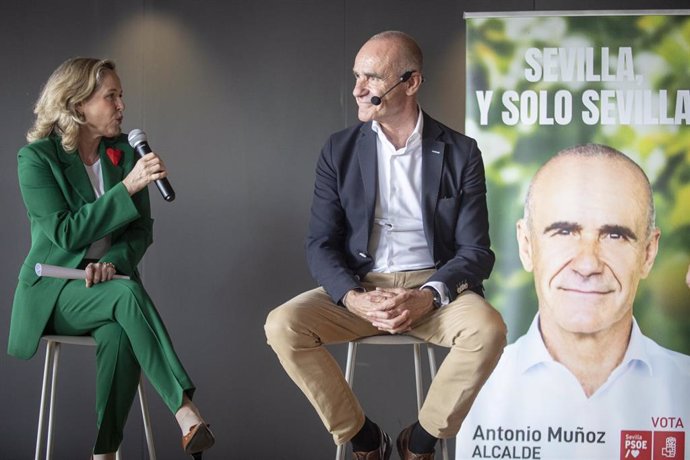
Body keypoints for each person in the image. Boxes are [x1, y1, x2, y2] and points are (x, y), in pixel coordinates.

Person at [265, 31, 506, 459]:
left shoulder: (460, 152)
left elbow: (476, 252)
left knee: (489, 331)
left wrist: (429, 296)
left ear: (411, 83)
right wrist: (353, 298)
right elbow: (320, 243)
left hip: (436, 288)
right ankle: (363, 437)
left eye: (372, 78)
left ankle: (421, 440)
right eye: (357, 76)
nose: (357, 89)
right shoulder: (337, 151)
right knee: (283, 325)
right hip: (363, 285)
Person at [8, 57, 215, 459]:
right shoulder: (35, 159)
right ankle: (185, 412)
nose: (122, 106)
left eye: (121, 96)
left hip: (109, 284)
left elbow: (141, 230)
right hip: (54, 290)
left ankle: (104, 453)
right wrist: (130, 185)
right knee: (128, 297)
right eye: (111, 96)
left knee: (121, 330)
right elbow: (66, 231)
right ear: (77, 104)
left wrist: (113, 265)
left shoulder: (122, 152)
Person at [456, 144, 690, 460]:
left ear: (648, 253)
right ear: (526, 246)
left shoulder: (685, 385)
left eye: (615, 236)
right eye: (564, 231)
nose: (587, 264)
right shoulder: (473, 387)